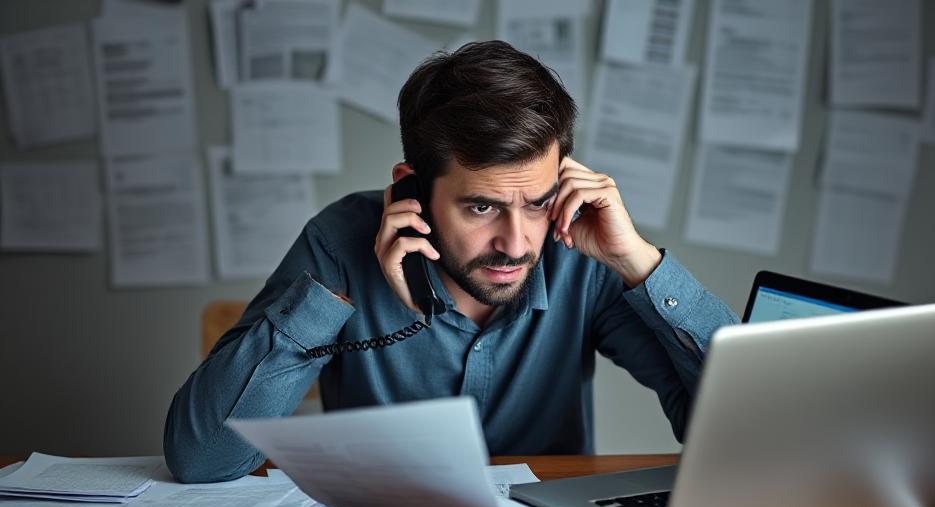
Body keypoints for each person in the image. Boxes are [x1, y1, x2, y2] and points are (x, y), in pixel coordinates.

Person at [164, 41, 737, 483]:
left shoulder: (577, 251)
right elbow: (203, 460)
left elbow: (738, 431)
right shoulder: (342, 240)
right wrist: (334, 298)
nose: (516, 244)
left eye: (536, 202)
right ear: (411, 190)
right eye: (482, 206)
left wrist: (637, 261)